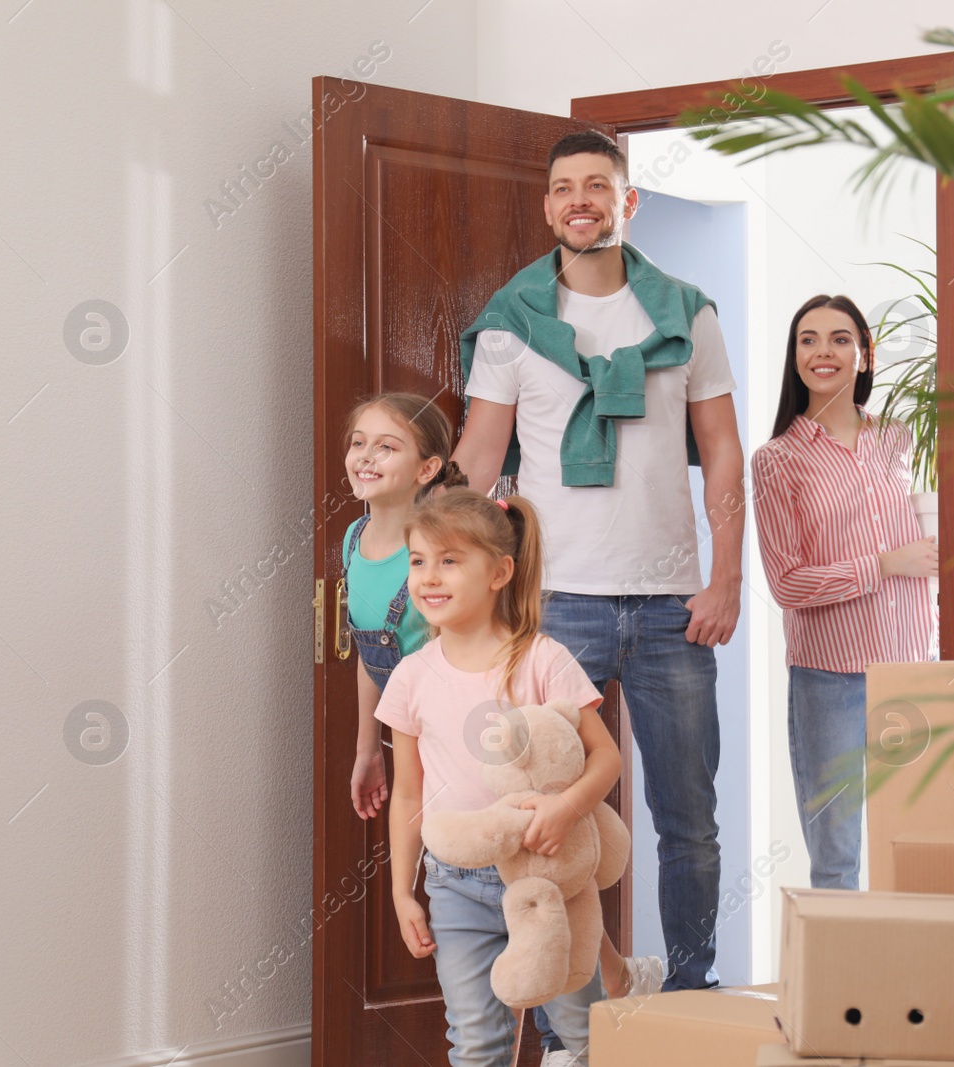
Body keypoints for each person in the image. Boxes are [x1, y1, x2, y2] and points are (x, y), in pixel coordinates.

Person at [451, 128, 744, 1012]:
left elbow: (725, 452)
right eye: (563, 188)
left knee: (688, 820)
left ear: (628, 201)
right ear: (548, 206)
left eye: (598, 185)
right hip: (556, 603)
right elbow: (478, 457)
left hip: (670, 604)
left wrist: (725, 578)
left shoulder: (688, 313)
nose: (580, 200)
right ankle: (580, 1000)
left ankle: (692, 1001)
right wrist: (430, 567)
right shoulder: (510, 322)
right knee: (543, 810)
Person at [378, 488, 621, 1067]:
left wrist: (566, 811)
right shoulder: (410, 678)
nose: (428, 578)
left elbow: (605, 756)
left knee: (580, 1037)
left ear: (500, 572)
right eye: (418, 561)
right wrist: (400, 890)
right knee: (477, 1043)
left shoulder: (541, 659)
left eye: (449, 560)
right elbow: (408, 794)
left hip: (547, 876)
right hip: (455, 885)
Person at [750, 295, 937, 890]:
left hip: (912, 670)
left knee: (918, 845)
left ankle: (911, 979)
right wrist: (884, 564)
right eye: (808, 339)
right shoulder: (777, 461)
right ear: (794, 356)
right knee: (837, 859)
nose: (822, 351)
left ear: (863, 353)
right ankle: (843, 984)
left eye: (838, 338)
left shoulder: (901, 441)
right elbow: (787, 584)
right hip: (828, 679)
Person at [340, 392, 463, 821]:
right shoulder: (354, 537)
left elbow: (468, 665)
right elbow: (372, 652)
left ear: (427, 469)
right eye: (358, 443)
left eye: (386, 447)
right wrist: (368, 750)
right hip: (411, 741)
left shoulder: (442, 553)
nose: (366, 457)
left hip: (460, 742)